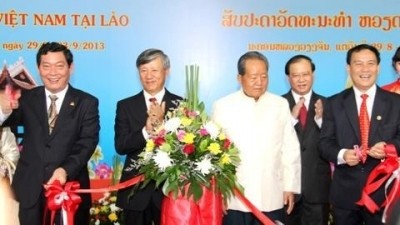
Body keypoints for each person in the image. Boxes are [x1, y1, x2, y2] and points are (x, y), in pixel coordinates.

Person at [0, 42, 100, 225]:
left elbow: (87, 142)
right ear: (38, 68)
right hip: (29, 191)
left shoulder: (87, 103)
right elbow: (6, 120)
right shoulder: (26, 98)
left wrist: (65, 170)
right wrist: (4, 109)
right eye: (46, 66)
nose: (52, 72)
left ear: (71, 67)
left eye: (59, 66)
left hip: (69, 192)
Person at [211, 51, 301, 225]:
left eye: (263, 76)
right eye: (253, 77)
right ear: (239, 78)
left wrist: (290, 186)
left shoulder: (280, 104)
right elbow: (214, 154)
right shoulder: (222, 106)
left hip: (271, 193)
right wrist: (219, 192)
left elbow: (290, 148)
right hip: (234, 196)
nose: (259, 82)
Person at [319, 44, 400, 225]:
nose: (365, 69)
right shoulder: (334, 103)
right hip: (345, 195)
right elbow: (324, 143)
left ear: (378, 67)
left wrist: (389, 148)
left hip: (383, 193)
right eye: (358, 64)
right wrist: (342, 155)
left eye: (370, 63)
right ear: (348, 68)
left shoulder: (396, 103)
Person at [114, 48, 182, 225]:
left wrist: (163, 128)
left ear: (166, 71)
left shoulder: (181, 105)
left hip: (170, 192)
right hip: (134, 194)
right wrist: (146, 131)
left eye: (154, 70)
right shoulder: (125, 105)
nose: (149, 75)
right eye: (143, 70)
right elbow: (121, 146)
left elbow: (186, 149)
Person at [282, 55, 331, 225]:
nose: (301, 80)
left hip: (317, 190)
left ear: (313, 75)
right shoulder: (277, 105)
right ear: (288, 78)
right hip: (285, 189)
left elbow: (334, 143)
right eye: (296, 76)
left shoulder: (329, 104)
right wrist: (291, 120)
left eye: (306, 74)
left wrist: (320, 121)